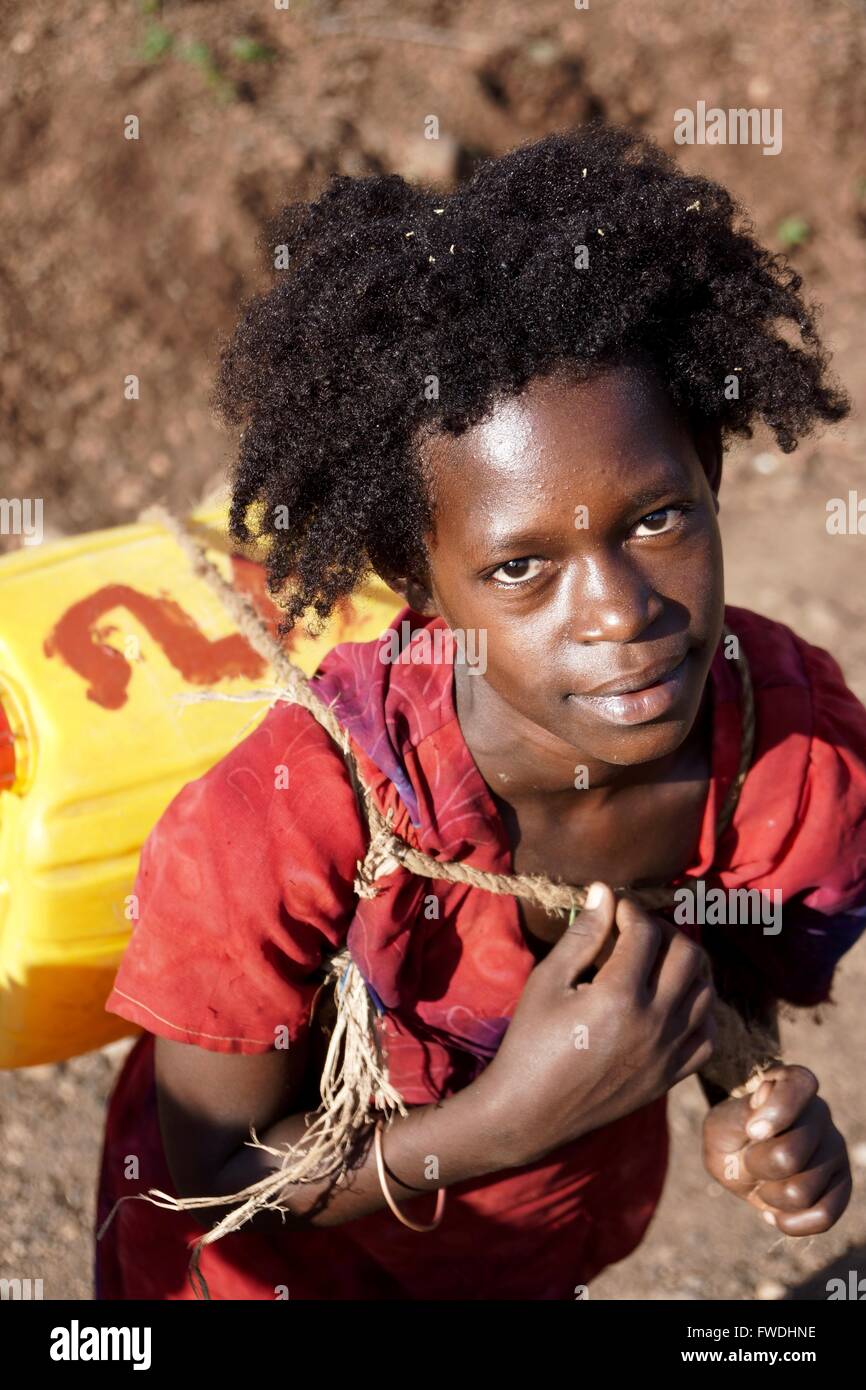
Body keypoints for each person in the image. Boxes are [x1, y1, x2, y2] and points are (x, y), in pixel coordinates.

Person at [95, 123, 866, 1300]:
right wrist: (508, 1119)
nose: (616, 612)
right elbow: (205, 1175)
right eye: (519, 568)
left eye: (655, 518)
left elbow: (726, 972)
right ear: (419, 582)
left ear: (710, 472)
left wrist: (746, 1098)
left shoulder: (783, 749)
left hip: (527, 1256)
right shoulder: (286, 822)